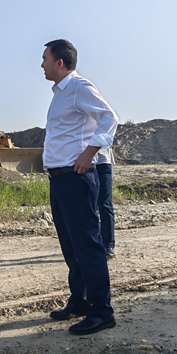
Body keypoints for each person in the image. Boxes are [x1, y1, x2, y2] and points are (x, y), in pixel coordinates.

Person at [41, 40, 119, 335]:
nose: (42, 65)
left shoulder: (79, 87)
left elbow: (110, 118)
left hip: (77, 176)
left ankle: (102, 311)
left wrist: (90, 153)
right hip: (60, 178)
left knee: (87, 244)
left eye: (45, 59)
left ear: (59, 62)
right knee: (71, 245)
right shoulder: (60, 93)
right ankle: (81, 299)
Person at [95, 148, 117, 260]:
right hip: (80, 160)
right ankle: (94, 243)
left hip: (102, 160)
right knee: (88, 205)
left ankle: (108, 245)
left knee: (104, 204)